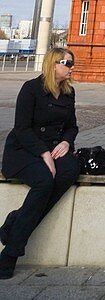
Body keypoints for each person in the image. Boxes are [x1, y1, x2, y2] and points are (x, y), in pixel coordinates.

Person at [0, 48, 81, 280]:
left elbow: (72, 126)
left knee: (70, 171)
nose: (71, 67)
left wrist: (66, 142)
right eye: (67, 63)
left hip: (54, 147)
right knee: (44, 181)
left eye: (72, 63)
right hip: (23, 150)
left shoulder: (68, 92)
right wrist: (44, 153)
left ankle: (14, 222)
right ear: (53, 64)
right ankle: (11, 254)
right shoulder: (31, 89)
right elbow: (22, 128)